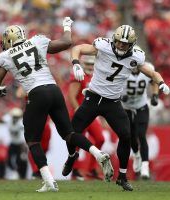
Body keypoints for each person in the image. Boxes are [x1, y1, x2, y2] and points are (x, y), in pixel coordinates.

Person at [0, 17, 114, 192]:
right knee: (69, 133)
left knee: (33, 141)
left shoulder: (5, 56)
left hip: (36, 93)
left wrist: (0, 90)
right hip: (54, 90)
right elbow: (66, 42)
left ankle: (49, 181)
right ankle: (97, 153)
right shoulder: (37, 41)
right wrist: (66, 27)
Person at [66, 25, 170, 191]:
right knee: (71, 132)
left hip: (112, 102)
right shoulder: (103, 45)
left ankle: (122, 176)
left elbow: (151, 73)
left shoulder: (136, 56)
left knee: (126, 135)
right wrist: (76, 63)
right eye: (119, 42)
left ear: (132, 44)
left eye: (125, 43)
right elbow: (78, 48)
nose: (121, 45)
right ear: (114, 40)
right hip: (93, 96)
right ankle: (72, 157)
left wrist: (161, 83)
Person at [67, 55, 105, 180]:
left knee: (100, 139)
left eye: (91, 64)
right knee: (78, 143)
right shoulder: (79, 76)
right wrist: (78, 110)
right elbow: (71, 96)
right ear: (83, 65)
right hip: (80, 114)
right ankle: (76, 170)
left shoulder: (96, 77)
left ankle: (92, 168)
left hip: (91, 114)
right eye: (87, 64)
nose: (89, 67)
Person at [121, 61, 159, 180]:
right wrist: (120, 96)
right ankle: (136, 155)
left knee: (141, 134)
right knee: (130, 136)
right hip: (125, 107)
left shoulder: (148, 69)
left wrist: (155, 95)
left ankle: (145, 166)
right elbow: (112, 86)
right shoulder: (122, 69)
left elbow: (154, 81)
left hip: (141, 106)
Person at [2, 107, 28, 179]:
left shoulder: (20, 123)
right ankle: (15, 172)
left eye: (17, 117)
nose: (15, 118)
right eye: (14, 116)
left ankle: (22, 176)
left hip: (21, 144)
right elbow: (1, 119)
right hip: (13, 143)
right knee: (8, 161)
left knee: (21, 160)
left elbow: (25, 126)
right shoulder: (8, 120)